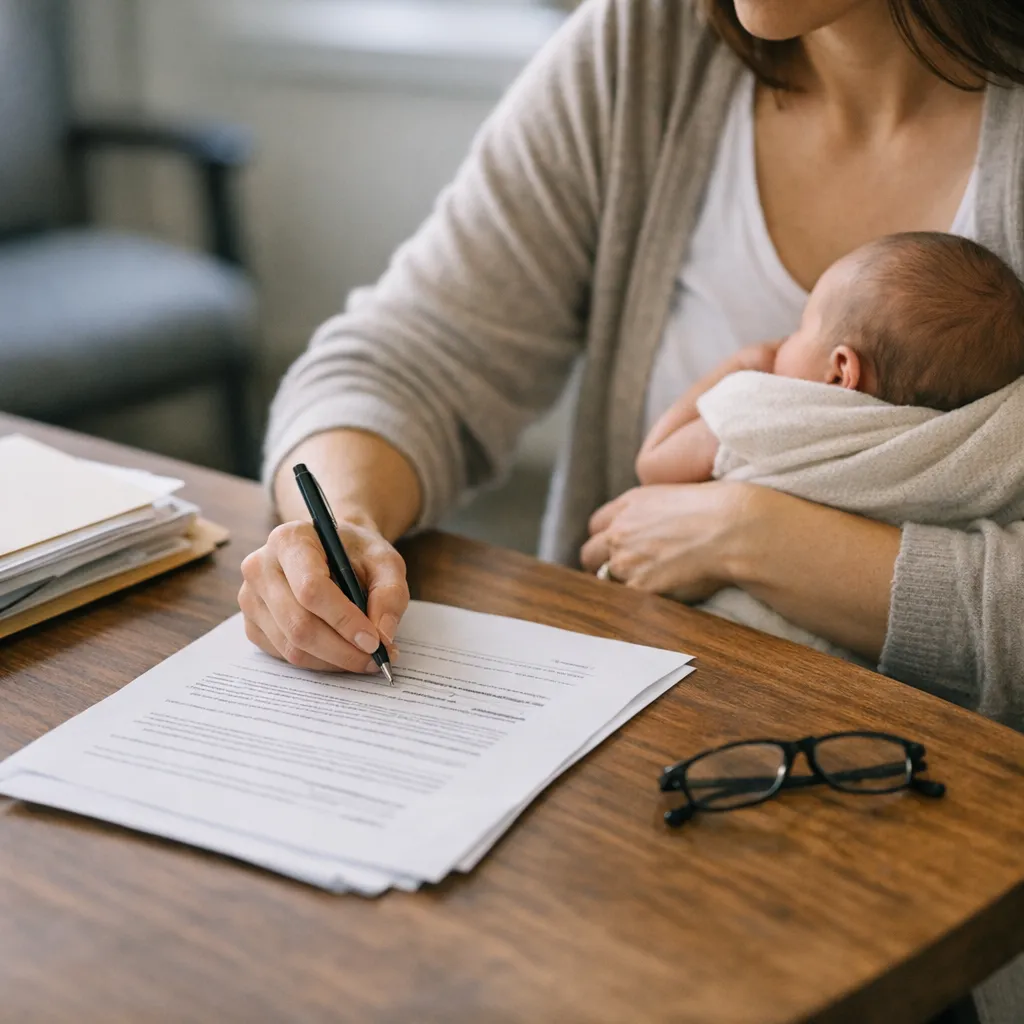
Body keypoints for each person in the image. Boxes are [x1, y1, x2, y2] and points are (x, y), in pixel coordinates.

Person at [241, 3, 1024, 1018]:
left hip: (935, 868)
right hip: (630, 813)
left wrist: (753, 532)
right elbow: (407, 353)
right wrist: (336, 521)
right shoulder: (645, 44)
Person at [636, 232, 1024, 486]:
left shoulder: (770, 416)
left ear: (841, 372)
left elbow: (654, 464)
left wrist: (740, 365)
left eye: (802, 326)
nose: (785, 338)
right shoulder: (953, 457)